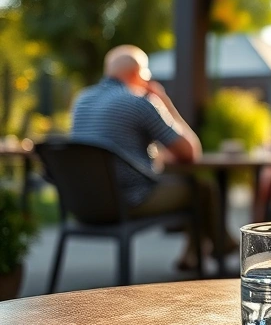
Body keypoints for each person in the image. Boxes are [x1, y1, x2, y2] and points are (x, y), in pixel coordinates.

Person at [70, 45, 227, 270]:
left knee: (189, 185)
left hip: (84, 204)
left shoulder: (81, 101)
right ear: (138, 74)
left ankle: (194, 253)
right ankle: (224, 251)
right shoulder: (139, 103)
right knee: (201, 189)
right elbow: (190, 152)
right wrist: (165, 104)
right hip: (127, 202)